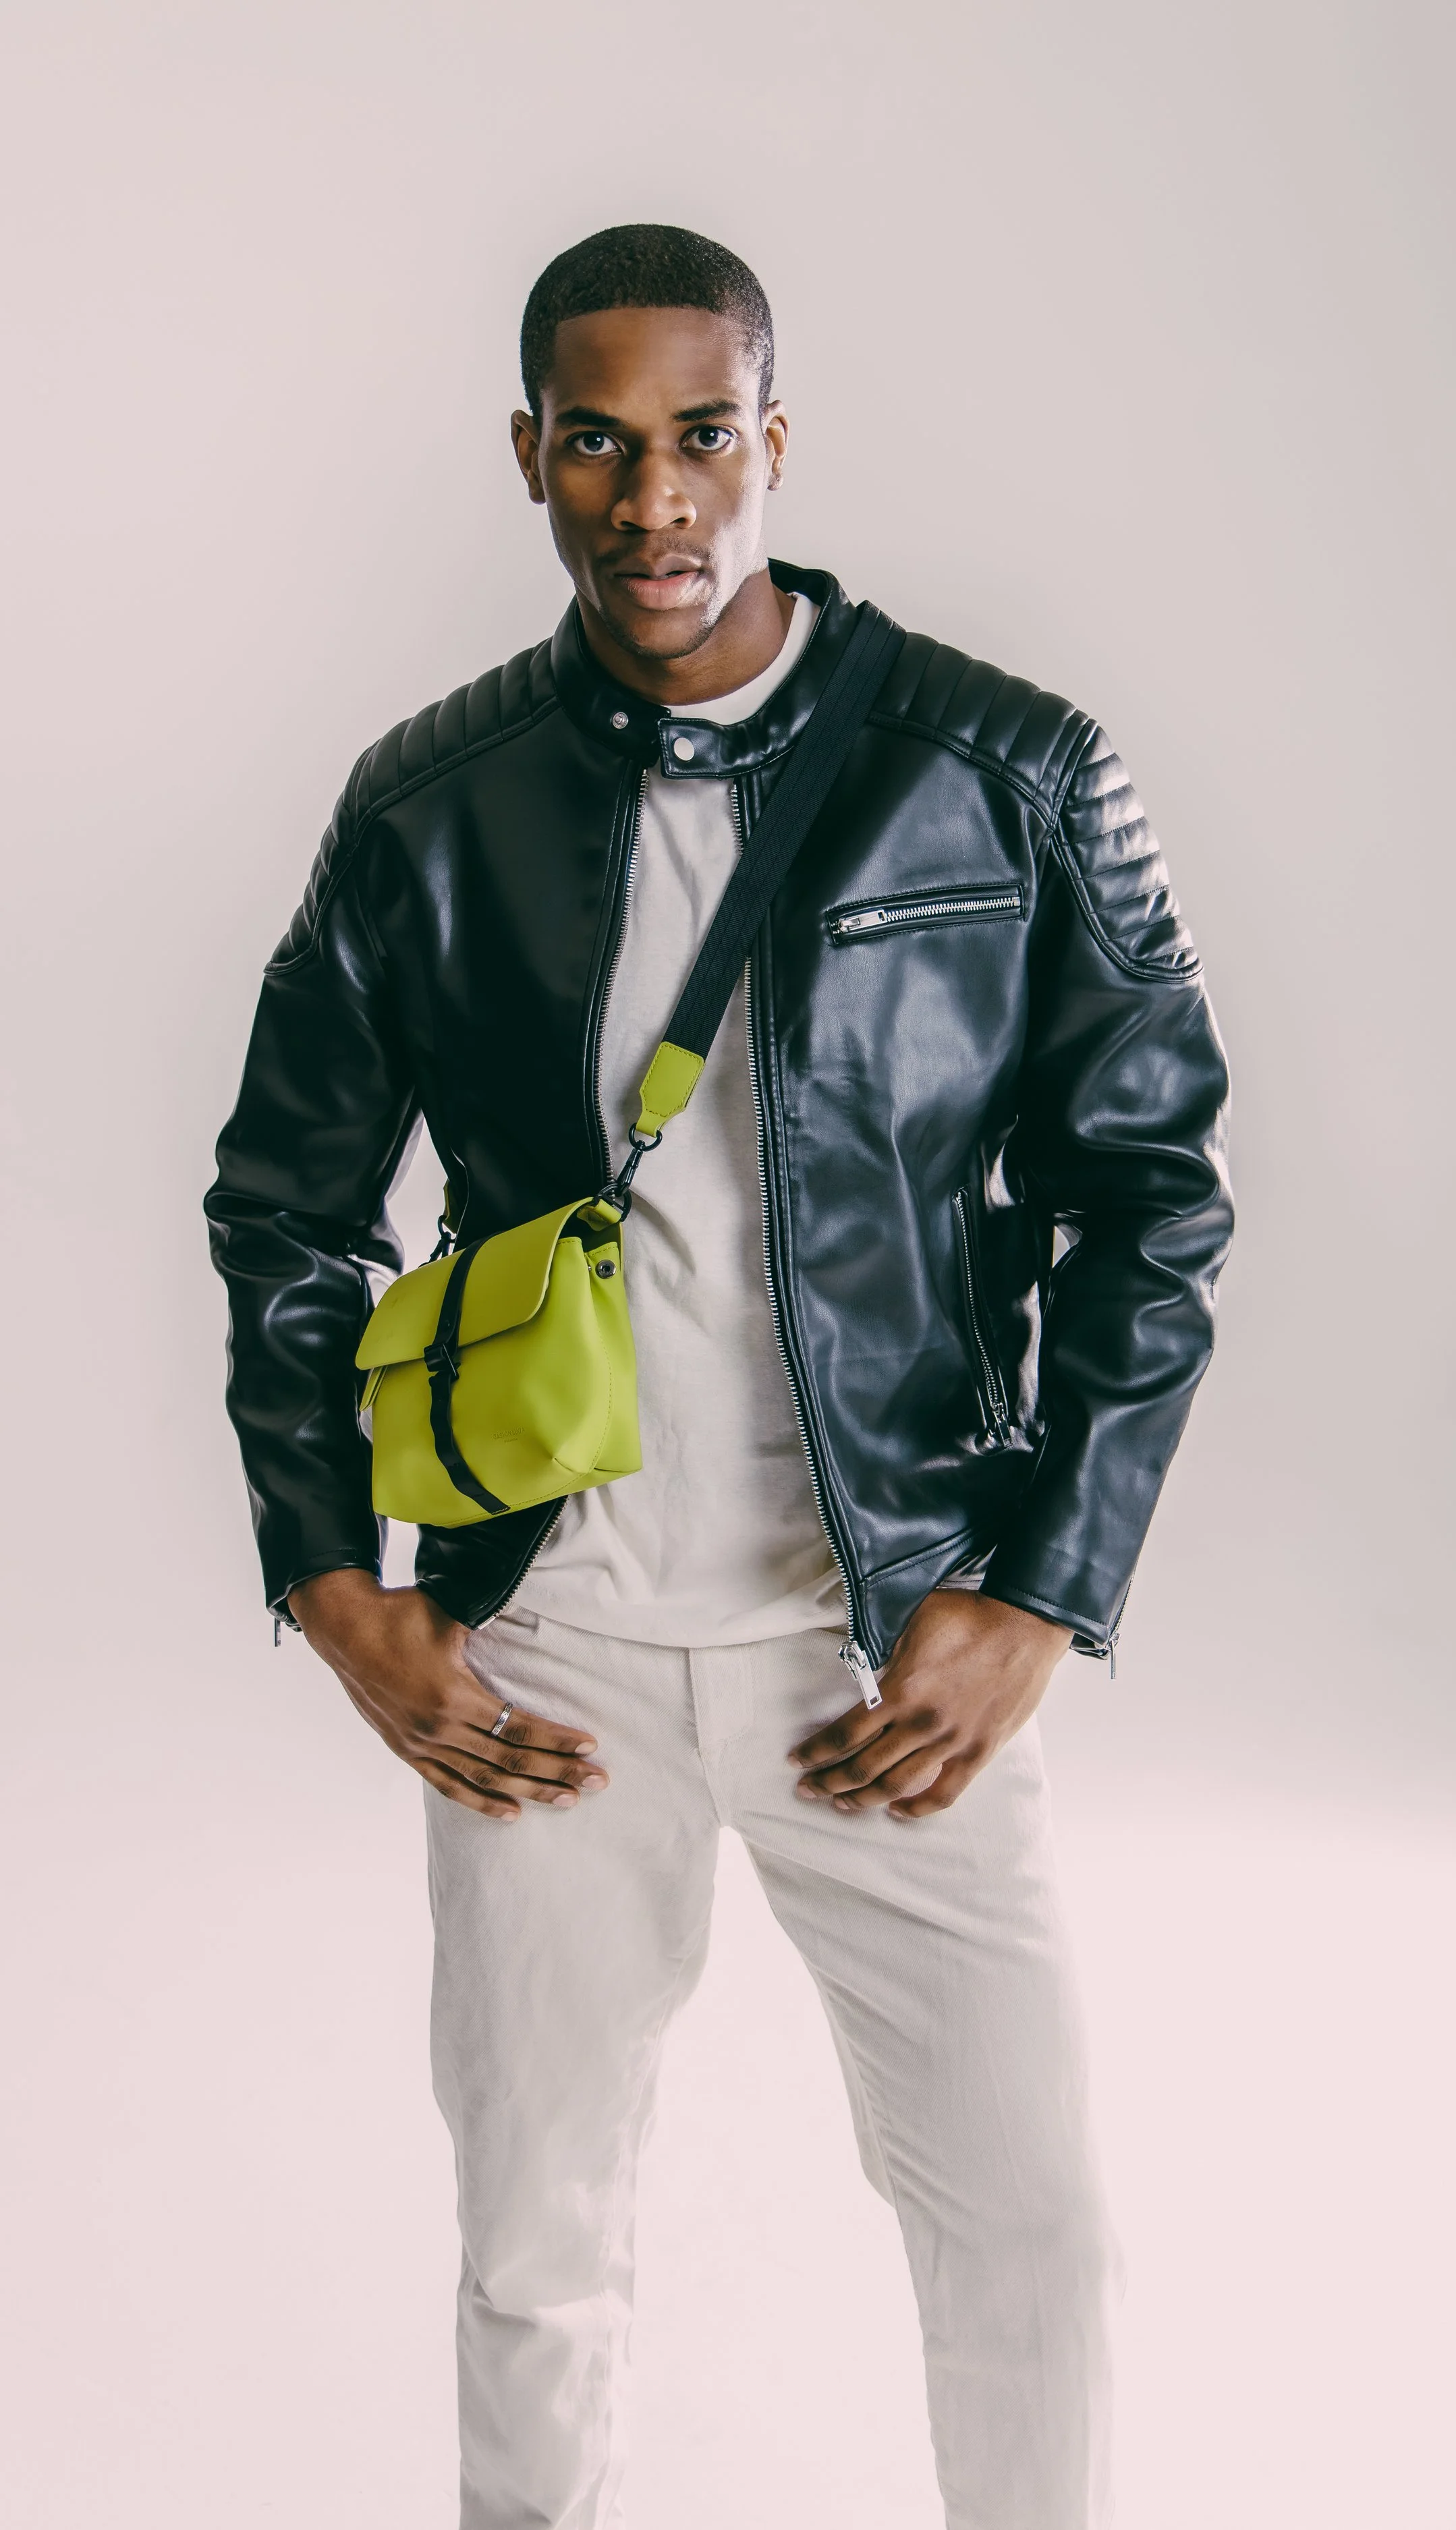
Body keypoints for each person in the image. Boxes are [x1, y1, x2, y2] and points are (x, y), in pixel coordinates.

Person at [206, 222, 1233, 2530]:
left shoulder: (1001, 768)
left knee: (1028, 2226)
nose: (652, 497)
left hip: (882, 1636)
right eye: (597, 441)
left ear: (777, 440)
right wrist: (335, 1585)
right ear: (528, 456)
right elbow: (284, 1207)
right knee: (533, 2247)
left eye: (700, 437)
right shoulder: (429, 803)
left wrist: (1038, 1589)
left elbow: (1153, 1197)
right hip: (545, 1647)